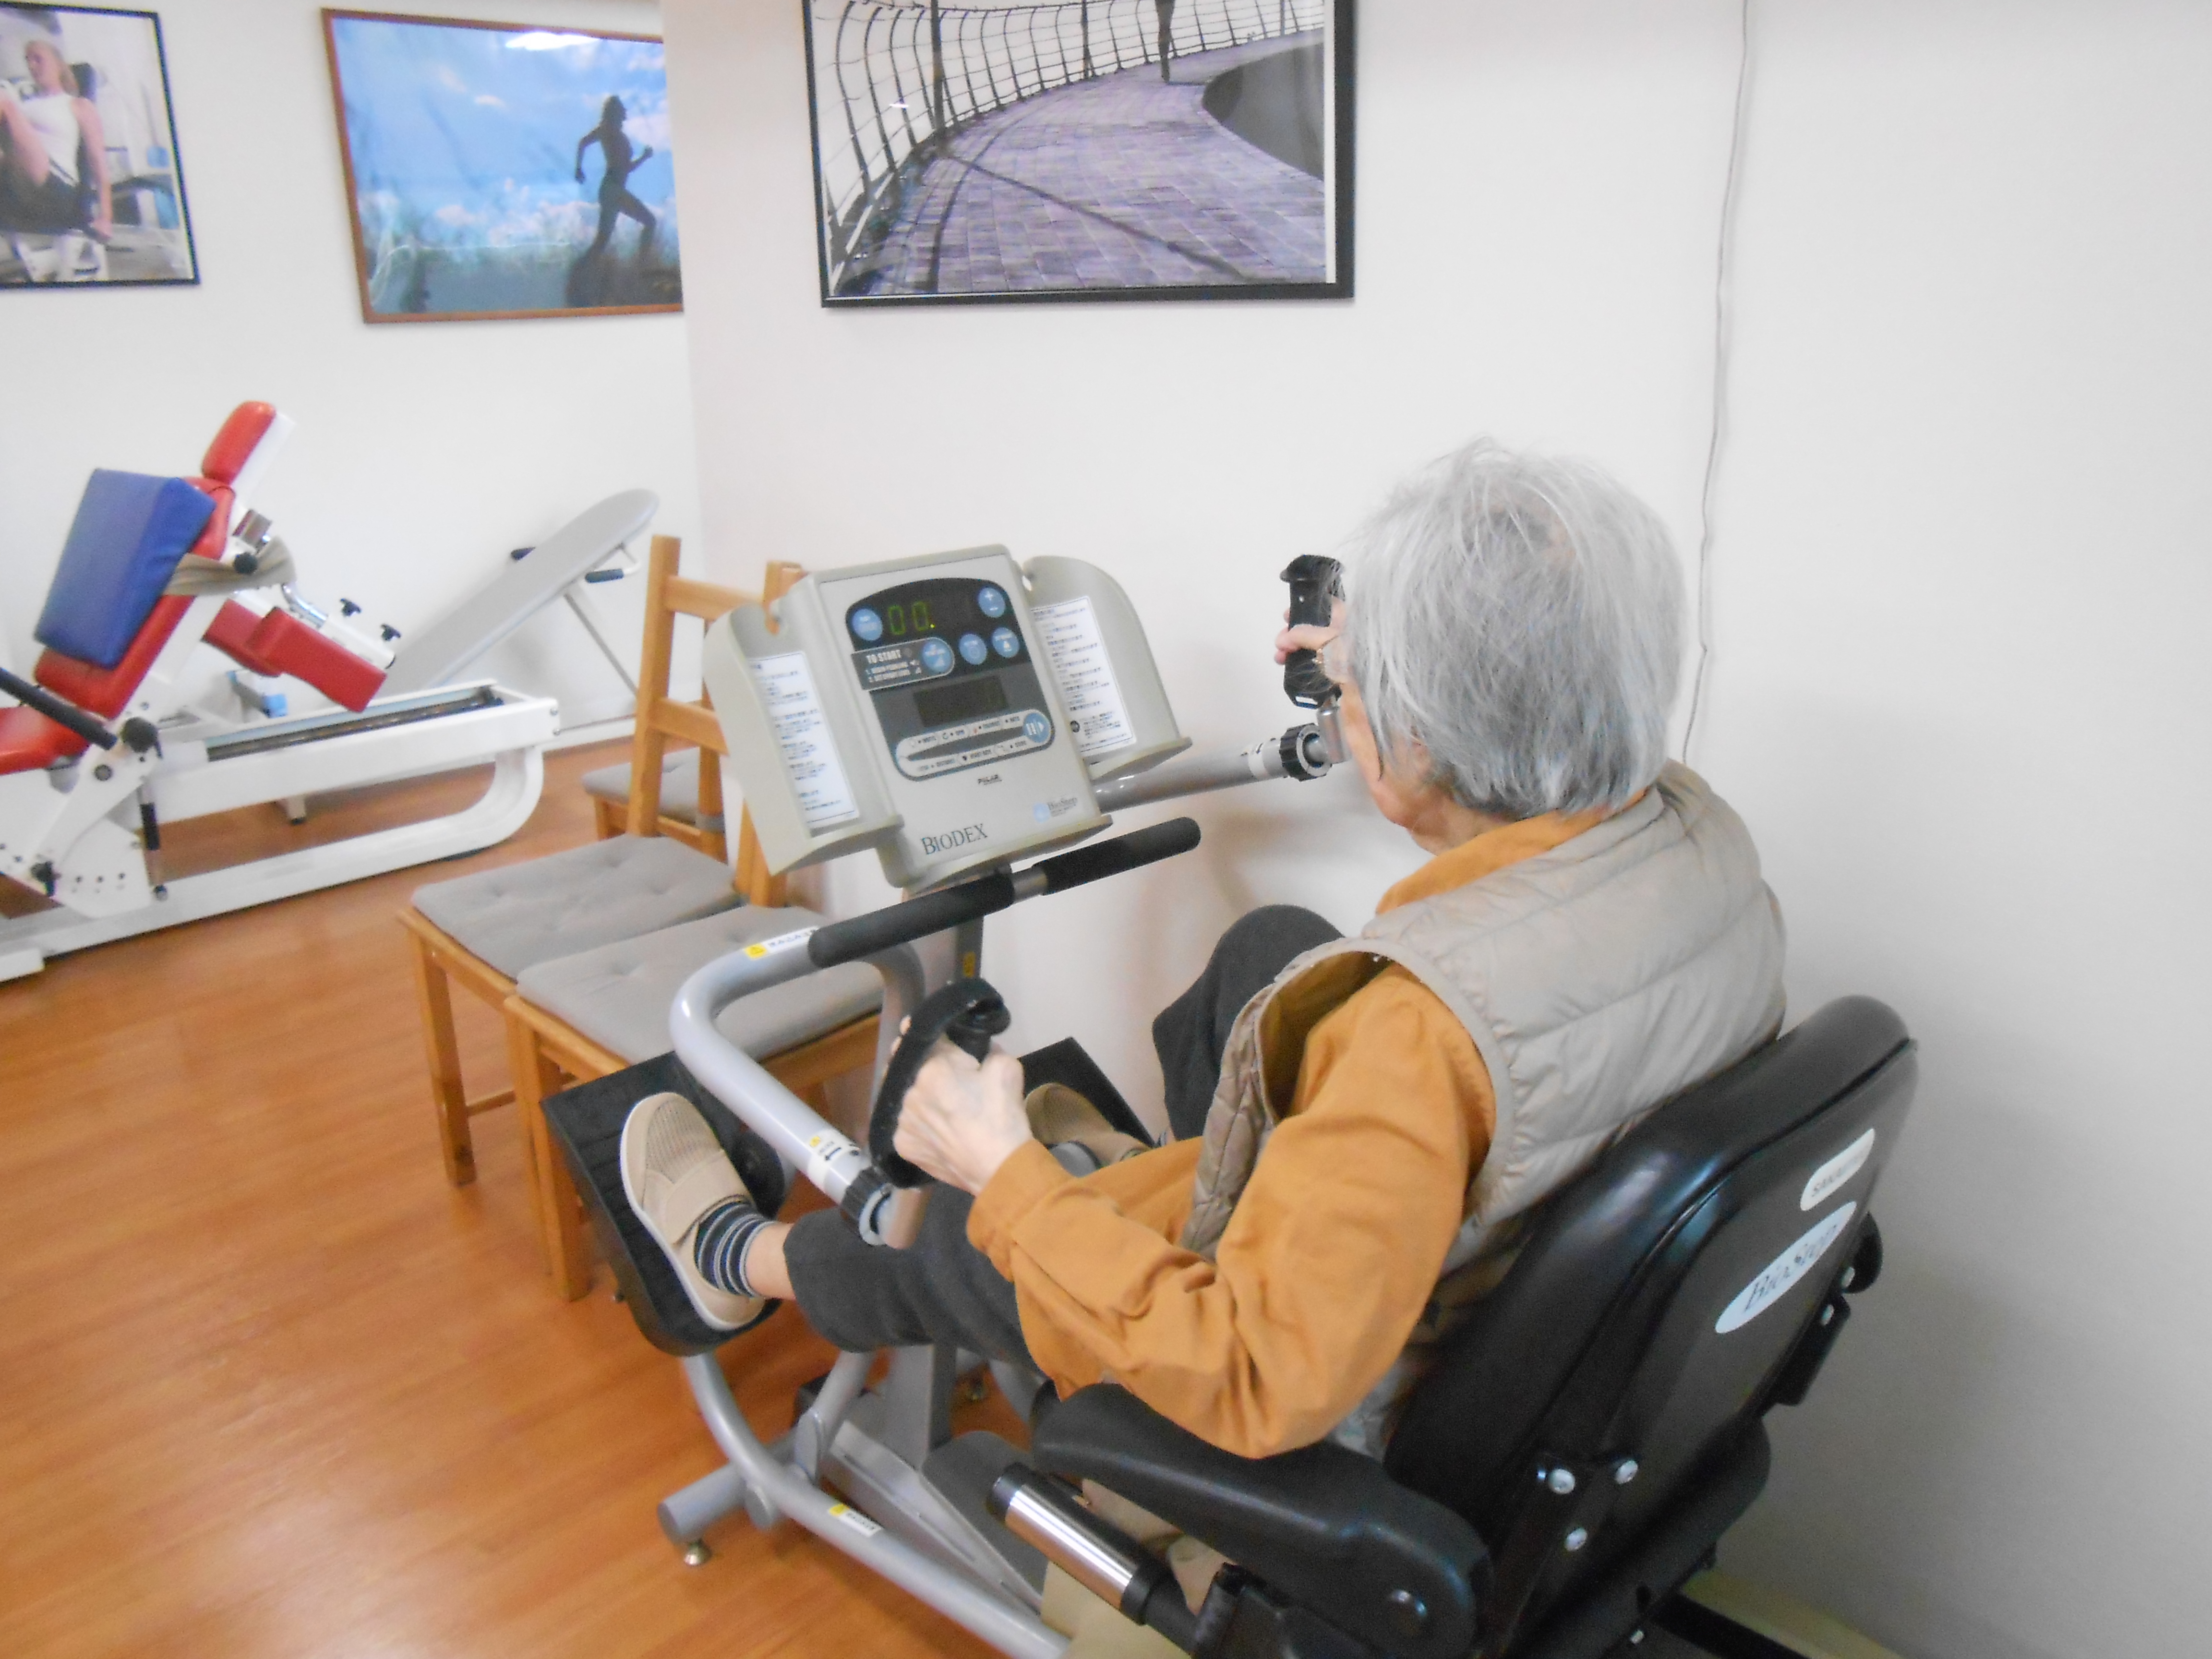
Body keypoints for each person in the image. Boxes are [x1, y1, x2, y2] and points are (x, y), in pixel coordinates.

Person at [623, 438, 1787, 1460]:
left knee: (977, 1235)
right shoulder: (1697, 834)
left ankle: (736, 1261)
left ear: (1427, 740)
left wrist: (1003, 1169)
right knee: (1272, 947)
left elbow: (1254, 1379)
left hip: (1322, 1394)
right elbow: (1530, 666)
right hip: (1492, 1260)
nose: (1344, 700)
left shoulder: (1412, 1035)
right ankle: (1132, 1187)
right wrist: (1382, 666)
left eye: (1358, 687)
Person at [0, 37, 109, 241]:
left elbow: (98, 163)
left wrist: (106, 217)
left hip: (56, 190)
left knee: (4, 102)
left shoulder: (78, 105)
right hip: (21, 187)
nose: (32, 66)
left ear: (58, 64)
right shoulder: (26, 105)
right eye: (28, 60)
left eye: (38, 59)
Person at [574, 95, 655, 261]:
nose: (624, 115)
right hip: (613, 189)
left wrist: (644, 158)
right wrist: (579, 168)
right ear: (615, 113)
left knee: (601, 242)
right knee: (650, 222)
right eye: (621, 111)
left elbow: (627, 168)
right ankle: (643, 266)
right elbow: (583, 142)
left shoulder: (614, 133)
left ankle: (583, 269)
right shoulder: (607, 129)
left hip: (612, 190)